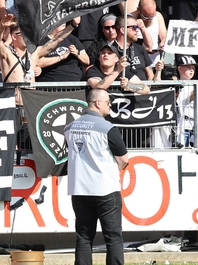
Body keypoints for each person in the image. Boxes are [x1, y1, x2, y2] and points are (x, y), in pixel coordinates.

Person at [64, 89, 129, 265]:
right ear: (98, 103)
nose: (110, 105)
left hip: (79, 190)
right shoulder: (107, 128)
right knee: (113, 237)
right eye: (108, 102)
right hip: (105, 189)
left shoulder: (69, 128)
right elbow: (123, 159)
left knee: (84, 237)